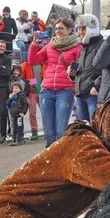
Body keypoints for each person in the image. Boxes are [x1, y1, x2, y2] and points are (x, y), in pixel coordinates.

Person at [28, 18, 82, 146]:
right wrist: (34, 45)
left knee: (60, 130)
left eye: (61, 28)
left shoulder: (77, 47)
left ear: (69, 30)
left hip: (65, 90)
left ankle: (60, 157)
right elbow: (32, 61)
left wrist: (74, 72)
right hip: (46, 90)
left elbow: (80, 68)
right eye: (56, 28)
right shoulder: (49, 46)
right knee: (49, 131)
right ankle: (50, 159)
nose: (58, 31)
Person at [70, 14, 103, 122]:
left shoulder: (102, 46)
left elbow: (108, 69)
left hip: (93, 95)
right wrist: (73, 74)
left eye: (83, 29)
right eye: (79, 29)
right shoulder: (83, 48)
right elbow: (84, 71)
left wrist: (96, 87)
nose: (80, 32)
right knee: (84, 130)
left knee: (96, 128)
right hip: (81, 94)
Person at [21, 58, 45, 140]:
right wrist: (34, 81)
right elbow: (23, 79)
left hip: (43, 92)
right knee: (32, 113)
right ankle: (34, 131)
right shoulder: (26, 64)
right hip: (32, 93)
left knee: (45, 113)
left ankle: (47, 130)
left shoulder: (44, 64)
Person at [6, 81, 29, 145]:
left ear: (20, 89)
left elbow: (25, 104)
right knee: (13, 127)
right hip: (13, 114)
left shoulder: (22, 96)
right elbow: (7, 104)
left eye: (16, 88)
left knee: (19, 127)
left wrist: (23, 112)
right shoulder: (12, 97)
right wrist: (10, 98)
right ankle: (14, 139)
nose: (15, 90)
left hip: (19, 114)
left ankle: (20, 139)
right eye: (13, 88)